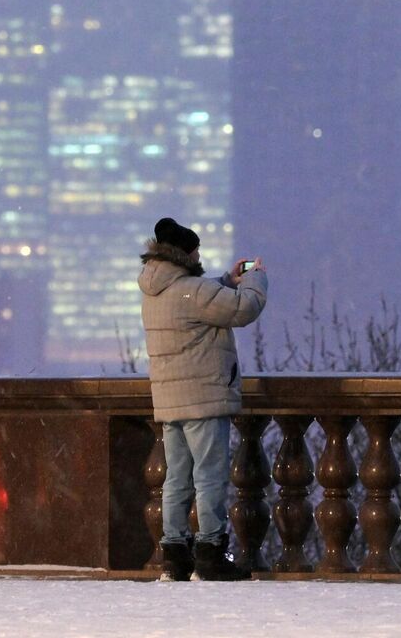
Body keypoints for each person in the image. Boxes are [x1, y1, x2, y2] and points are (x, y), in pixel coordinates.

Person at [137, 216, 268, 581]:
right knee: (209, 477)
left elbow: (196, 297)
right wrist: (255, 278)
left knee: (176, 479)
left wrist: (226, 281)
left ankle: (175, 555)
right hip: (204, 398)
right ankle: (210, 553)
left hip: (169, 401)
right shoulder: (193, 292)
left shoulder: (156, 291)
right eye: (196, 251)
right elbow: (243, 309)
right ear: (185, 254)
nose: (199, 256)